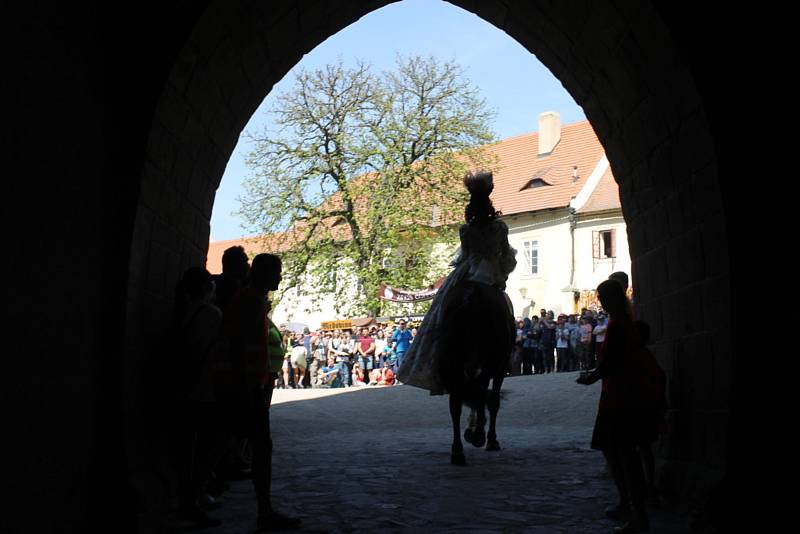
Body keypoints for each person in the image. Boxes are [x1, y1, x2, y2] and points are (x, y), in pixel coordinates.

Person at [397, 170, 516, 394]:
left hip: (466, 273)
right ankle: (505, 356)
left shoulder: (466, 230)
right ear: (489, 202)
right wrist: (501, 277)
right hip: (489, 274)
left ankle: (436, 359)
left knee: (439, 315)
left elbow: (463, 257)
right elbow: (506, 257)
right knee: (506, 311)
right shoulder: (499, 227)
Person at [220, 253, 301, 531]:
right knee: (260, 448)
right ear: (263, 273)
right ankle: (264, 511)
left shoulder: (250, 301)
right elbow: (240, 348)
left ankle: (264, 509)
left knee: (254, 447)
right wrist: (250, 386)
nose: (279, 277)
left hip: (251, 385)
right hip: (248, 387)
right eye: (276, 272)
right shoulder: (251, 303)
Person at [576, 279, 650, 534]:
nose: (600, 301)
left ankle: (635, 510)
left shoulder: (619, 326)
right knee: (620, 453)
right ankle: (628, 504)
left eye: (602, 297)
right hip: (620, 395)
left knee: (623, 455)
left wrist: (591, 377)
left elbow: (612, 362)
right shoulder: (623, 322)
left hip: (619, 399)